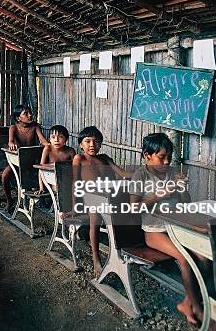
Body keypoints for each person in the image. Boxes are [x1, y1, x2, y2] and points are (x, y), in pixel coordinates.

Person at [129, 133, 203, 325]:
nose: (167, 161)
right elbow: (133, 207)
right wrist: (160, 194)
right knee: (185, 259)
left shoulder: (172, 173)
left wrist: (183, 190)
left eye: (169, 156)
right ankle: (199, 309)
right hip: (153, 232)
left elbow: (186, 203)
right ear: (147, 156)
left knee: (204, 257)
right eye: (162, 157)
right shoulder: (141, 175)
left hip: (176, 228)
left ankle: (188, 302)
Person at [72, 126, 131, 276]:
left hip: (108, 197)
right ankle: (96, 258)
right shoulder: (80, 158)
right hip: (89, 198)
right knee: (95, 219)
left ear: (100, 144)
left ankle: (127, 248)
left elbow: (123, 173)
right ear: (81, 145)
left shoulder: (105, 158)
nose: (92, 145)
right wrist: (74, 206)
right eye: (87, 141)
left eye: (96, 141)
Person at [1, 104, 48, 213]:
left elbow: (43, 141)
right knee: (4, 176)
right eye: (26, 113)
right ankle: (9, 201)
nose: (30, 115)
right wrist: (11, 144)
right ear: (18, 118)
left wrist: (48, 145)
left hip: (33, 161)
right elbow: (10, 141)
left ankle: (42, 200)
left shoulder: (35, 126)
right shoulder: (13, 128)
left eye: (30, 112)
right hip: (18, 161)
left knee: (41, 174)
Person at [36, 125, 76, 194]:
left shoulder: (70, 151)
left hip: (66, 178)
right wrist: (41, 188)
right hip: (51, 179)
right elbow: (41, 169)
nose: (56, 140)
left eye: (60, 137)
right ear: (50, 139)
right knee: (59, 188)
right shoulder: (48, 149)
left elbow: (75, 168)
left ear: (66, 139)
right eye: (53, 137)